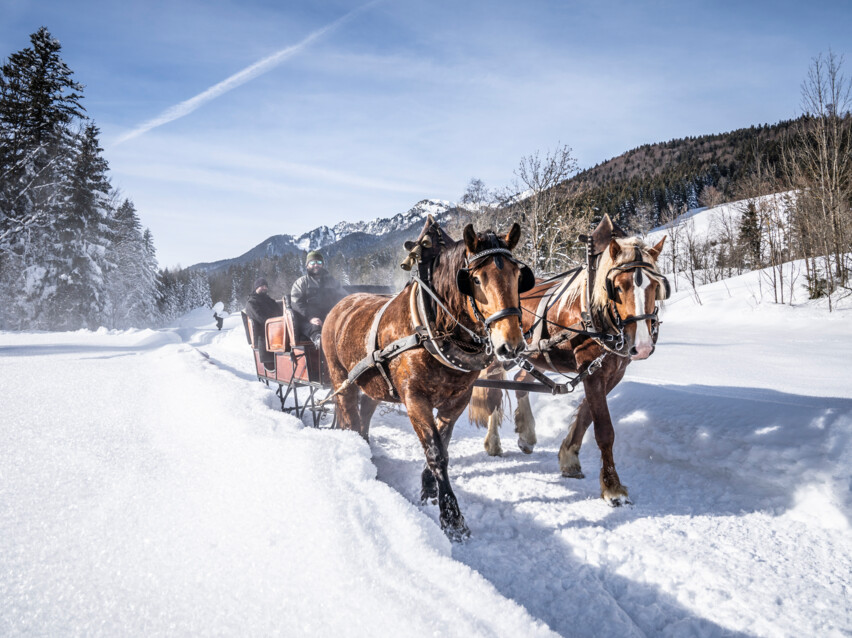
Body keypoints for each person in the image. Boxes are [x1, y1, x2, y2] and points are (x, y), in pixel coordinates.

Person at [290, 251, 345, 349]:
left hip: (329, 316)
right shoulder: (301, 283)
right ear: (307, 265)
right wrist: (310, 318)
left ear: (322, 265)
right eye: (312, 263)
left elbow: (343, 296)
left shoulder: (332, 282)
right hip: (307, 319)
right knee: (315, 327)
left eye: (319, 263)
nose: (316, 265)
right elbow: (296, 303)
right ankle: (319, 342)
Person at [246, 277, 283, 370]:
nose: (264, 288)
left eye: (265, 286)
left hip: (276, 327)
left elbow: (279, 311)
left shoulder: (268, 299)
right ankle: (271, 363)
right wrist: (276, 323)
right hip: (264, 332)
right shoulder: (252, 302)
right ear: (256, 287)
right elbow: (260, 318)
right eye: (261, 286)